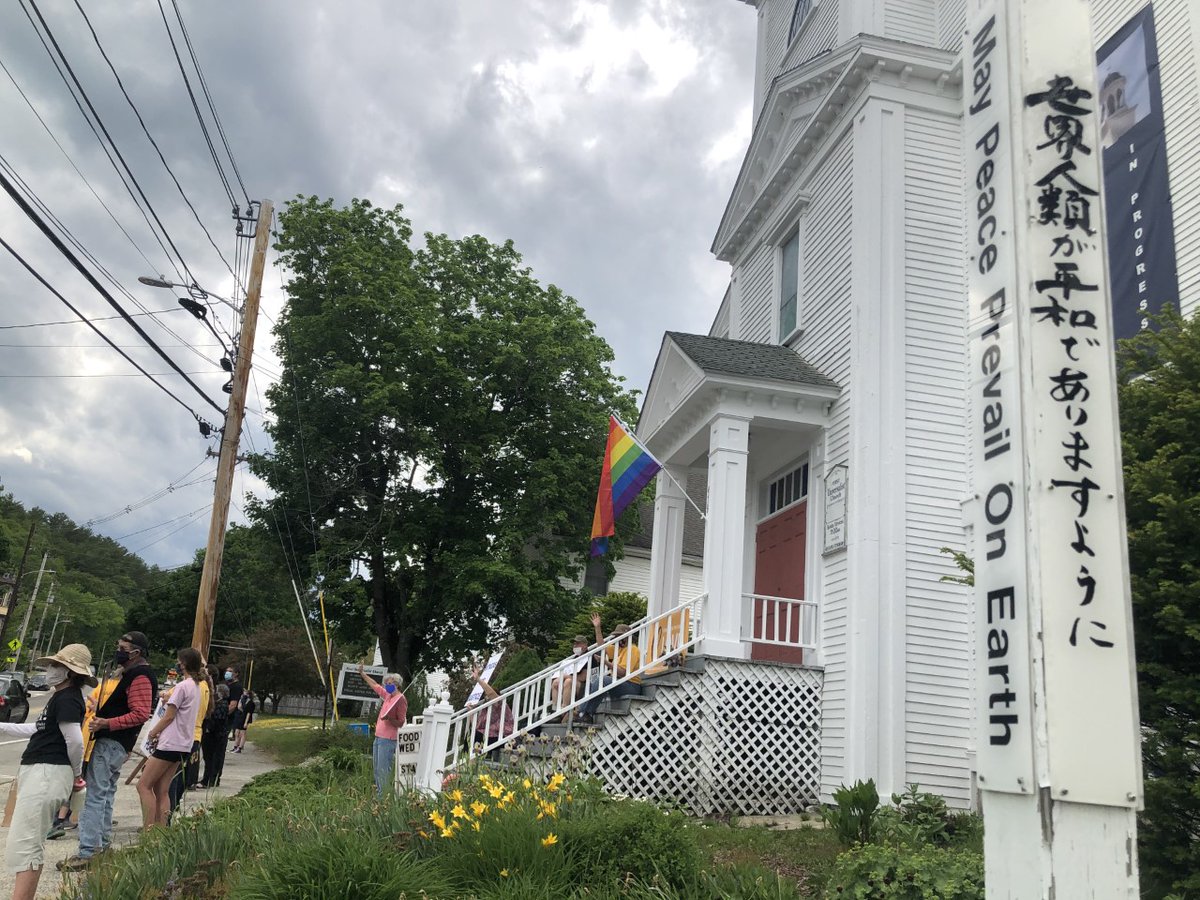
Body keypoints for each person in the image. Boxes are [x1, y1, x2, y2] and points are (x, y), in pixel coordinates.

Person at [0, 644, 95, 900]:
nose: (50, 670)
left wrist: (76, 774)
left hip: (47, 773)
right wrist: (3, 727)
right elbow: (38, 729)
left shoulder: (67, 698)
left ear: (70, 672)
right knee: (29, 842)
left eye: (57, 666)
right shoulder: (62, 697)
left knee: (26, 844)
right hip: (43, 772)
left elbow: (74, 740)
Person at [61, 632, 157, 870]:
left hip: (113, 741)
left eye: (123, 648)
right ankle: (100, 846)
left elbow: (141, 713)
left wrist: (106, 723)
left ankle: (88, 851)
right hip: (114, 742)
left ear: (135, 652)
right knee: (104, 794)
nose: (119, 651)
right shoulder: (131, 674)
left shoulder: (141, 676)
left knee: (93, 795)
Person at [137, 648, 203, 829]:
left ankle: (148, 828)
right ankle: (161, 828)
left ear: (184, 664)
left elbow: (169, 716)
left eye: (179, 661)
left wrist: (152, 733)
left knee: (143, 785)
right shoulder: (196, 687)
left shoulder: (182, 686)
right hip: (183, 744)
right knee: (162, 790)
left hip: (169, 743)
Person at [357, 665, 408, 796]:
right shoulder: (388, 696)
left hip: (388, 739)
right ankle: (380, 794)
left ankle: (384, 797)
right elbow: (374, 685)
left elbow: (401, 722)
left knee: (383, 770)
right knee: (377, 770)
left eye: (390, 684)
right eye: (386, 684)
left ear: (397, 685)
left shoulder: (400, 699)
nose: (387, 686)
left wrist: (390, 719)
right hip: (378, 737)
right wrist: (363, 674)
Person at [578, 619, 642, 723]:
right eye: (616, 636)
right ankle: (582, 712)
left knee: (602, 680)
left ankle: (587, 713)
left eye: (618, 636)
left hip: (631, 685)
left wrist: (606, 663)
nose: (616, 638)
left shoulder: (633, 649)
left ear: (626, 637)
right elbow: (602, 647)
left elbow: (623, 672)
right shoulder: (619, 649)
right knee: (592, 683)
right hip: (621, 682)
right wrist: (597, 628)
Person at [469, 666, 515, 755]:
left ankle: (471, 761)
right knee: (473, 734)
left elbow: (490, 693)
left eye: (488, 695)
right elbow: (477, 726)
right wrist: (470, 712)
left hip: (500, 737)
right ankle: (468, 762)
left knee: (476, 736)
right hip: (487, 737)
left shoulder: (500, 704)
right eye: (485, 696)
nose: (487, 697)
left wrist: (478, 679)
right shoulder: (485, 709)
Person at [200, 666, 230, 787]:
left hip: (215, 735)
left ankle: (211, 780)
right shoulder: (219, 704)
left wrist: (209, 728)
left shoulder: (222, 705)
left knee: (213, 758)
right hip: (213, 734)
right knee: (210, 758)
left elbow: (218, 720)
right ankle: (209, 779)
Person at [549, 635, 591, 717]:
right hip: (573, 683)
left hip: (585, 686)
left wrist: (566, 676)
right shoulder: (573, 659)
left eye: (578, 643)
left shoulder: (590, 657)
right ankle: (555, 709)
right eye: (574, 644)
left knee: (568, 681)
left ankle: (564, 709)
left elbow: (584, 677)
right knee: (556, 682)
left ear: (585, 645)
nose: (575, 646)